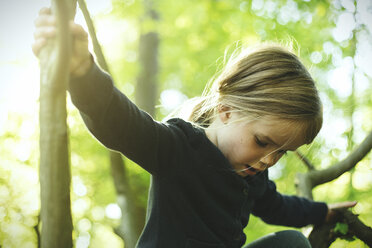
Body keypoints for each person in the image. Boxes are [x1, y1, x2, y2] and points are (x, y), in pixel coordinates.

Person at [32, 7, 357, 248]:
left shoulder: (254, 176)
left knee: (292, 244)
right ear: (226, 110)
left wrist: (323, 212)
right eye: (263, 142)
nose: (270, 160)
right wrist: (83, 72)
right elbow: (119, 122)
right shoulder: (179, 148)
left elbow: (279, 207)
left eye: (282, 153)